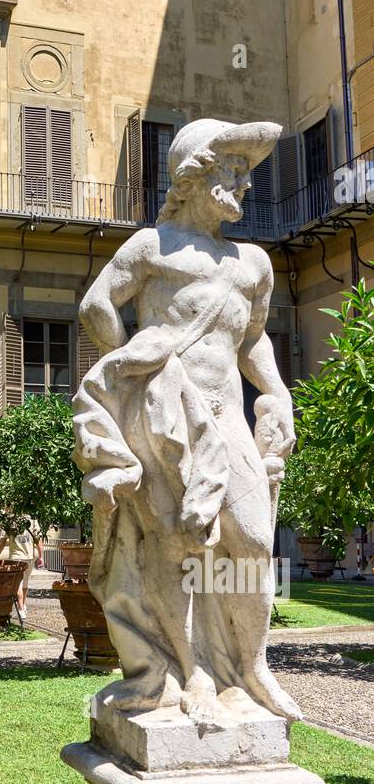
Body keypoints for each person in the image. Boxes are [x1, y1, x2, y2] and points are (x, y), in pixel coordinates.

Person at [74, 118, 300, 729]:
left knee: (251, 541)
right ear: (197, 171)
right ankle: (190, 670)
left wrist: (276, 393)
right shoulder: (152, 247)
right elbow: (97, 304)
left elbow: (252, 340)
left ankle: (250, 667)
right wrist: (132, 374)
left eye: (246, 172)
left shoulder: (253, 263)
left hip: (228, 420)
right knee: (177, 546)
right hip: (166, 418)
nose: (245, 184)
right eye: (235, 169)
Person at [3, 520, 42, 619]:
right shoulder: (33, 521)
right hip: (29, 557)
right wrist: (41, 556)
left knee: (17, 583)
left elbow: (2, 541)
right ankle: (23, 606)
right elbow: (39, 540)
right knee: (25, 582)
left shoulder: (11, 520)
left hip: (16, 557)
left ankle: (20, 609)